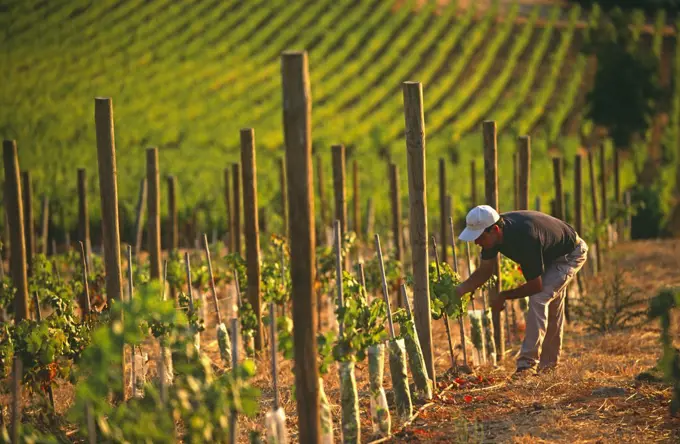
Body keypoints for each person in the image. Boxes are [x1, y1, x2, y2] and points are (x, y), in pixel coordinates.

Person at [454, 205, 588, 375]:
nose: (476, 242)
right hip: (549, 252)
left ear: (495, 230)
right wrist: (459, 290)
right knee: (552, 307)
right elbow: (484, 272)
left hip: (570, 254)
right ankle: (549, 367)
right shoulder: (493, 236)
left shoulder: (525, 238)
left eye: (479, 237)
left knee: (539, 298)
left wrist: (503, 296)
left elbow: (535, 286)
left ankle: (526, 365)